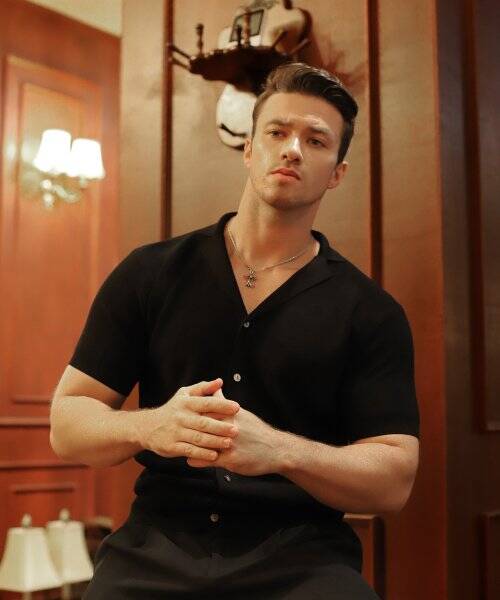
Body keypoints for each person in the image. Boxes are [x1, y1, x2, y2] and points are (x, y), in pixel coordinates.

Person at [50, 62, 420, 599]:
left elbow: (394, 481)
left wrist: (280, 451)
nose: (293, 149)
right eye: (277, 132)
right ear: (249, 148)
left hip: (303, 561)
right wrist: (150, 427)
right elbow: (67, 423)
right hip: (153, 552)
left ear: (337, 173)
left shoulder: (370, 312)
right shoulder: (149, 273)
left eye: (316, 140)